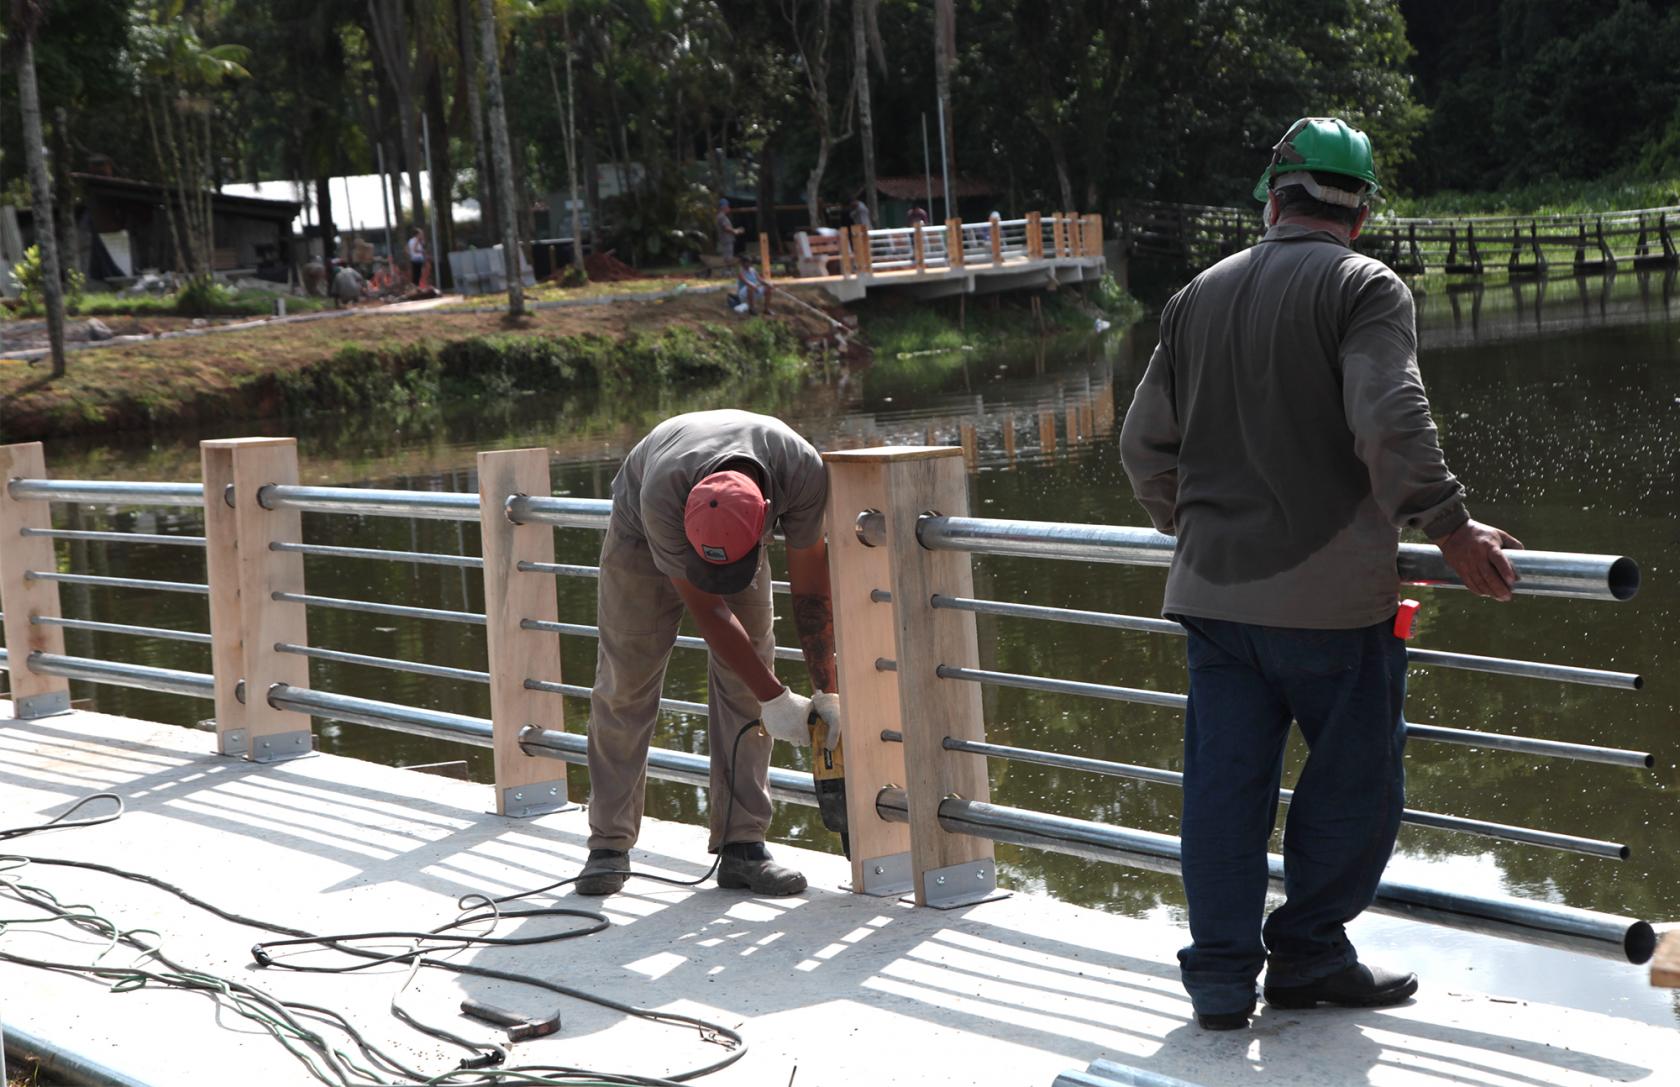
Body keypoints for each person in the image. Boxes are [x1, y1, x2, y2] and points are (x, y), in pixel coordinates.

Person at [1118, 116, 1523, 1032]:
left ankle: (1220, 983)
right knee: (1352, 787)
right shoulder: (1363, 285)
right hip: (1335, 607)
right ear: (1364, 209)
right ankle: (1306, 954)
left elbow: (1144, 448)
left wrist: (1198, 532)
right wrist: (1450, 526)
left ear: (1274, 195)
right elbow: (1387, 412)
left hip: (1214, 604)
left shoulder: (1195, 296)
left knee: (1222, 795)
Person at [576, 410, 841, 897]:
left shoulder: (802, 471)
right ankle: (608, 845)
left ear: (766, 509)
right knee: (624, 684)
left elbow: (811, 591)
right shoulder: (662, 493)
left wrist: (828, 690)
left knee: (748, 682)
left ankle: (743, 845)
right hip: (642, 533)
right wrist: (778, 700)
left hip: (736, 533)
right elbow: (710, 611)